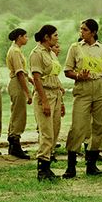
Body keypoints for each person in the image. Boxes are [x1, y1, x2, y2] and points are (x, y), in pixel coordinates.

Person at [63, 19, 102, 177]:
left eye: (85, 30)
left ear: (93, 32)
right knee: (78, 126)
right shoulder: (75, 48)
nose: (81, 32)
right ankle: (71, 166)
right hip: (83, 87)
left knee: (99, 126)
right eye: (81, 29)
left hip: (100, 87)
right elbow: (67, 70)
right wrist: (79, 75)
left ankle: (92, 164)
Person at [30, 24, 64, 181]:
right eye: (55, 35)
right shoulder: (37, 54)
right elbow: (37, 78)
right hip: (45, 95)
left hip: (56, 94)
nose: (57, 38)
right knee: (47, 133)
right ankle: (42, 170)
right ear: (46, 37)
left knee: (55, 132)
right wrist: (44, 101)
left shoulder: (51, 53)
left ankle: (48, 168)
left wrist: (61, 101)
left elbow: (55, 75)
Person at [6, 28, 32, 159]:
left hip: (18, 82)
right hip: (17, 83)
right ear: (19, 37)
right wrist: (27, 93)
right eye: (25, 36)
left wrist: (31, 80)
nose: (27, 39)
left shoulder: (16, 50)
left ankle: (12, 144)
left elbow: (23, 72)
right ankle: (15, 144)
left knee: (16, 112)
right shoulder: (15, 51)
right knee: (19, 114)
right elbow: (19, 73)